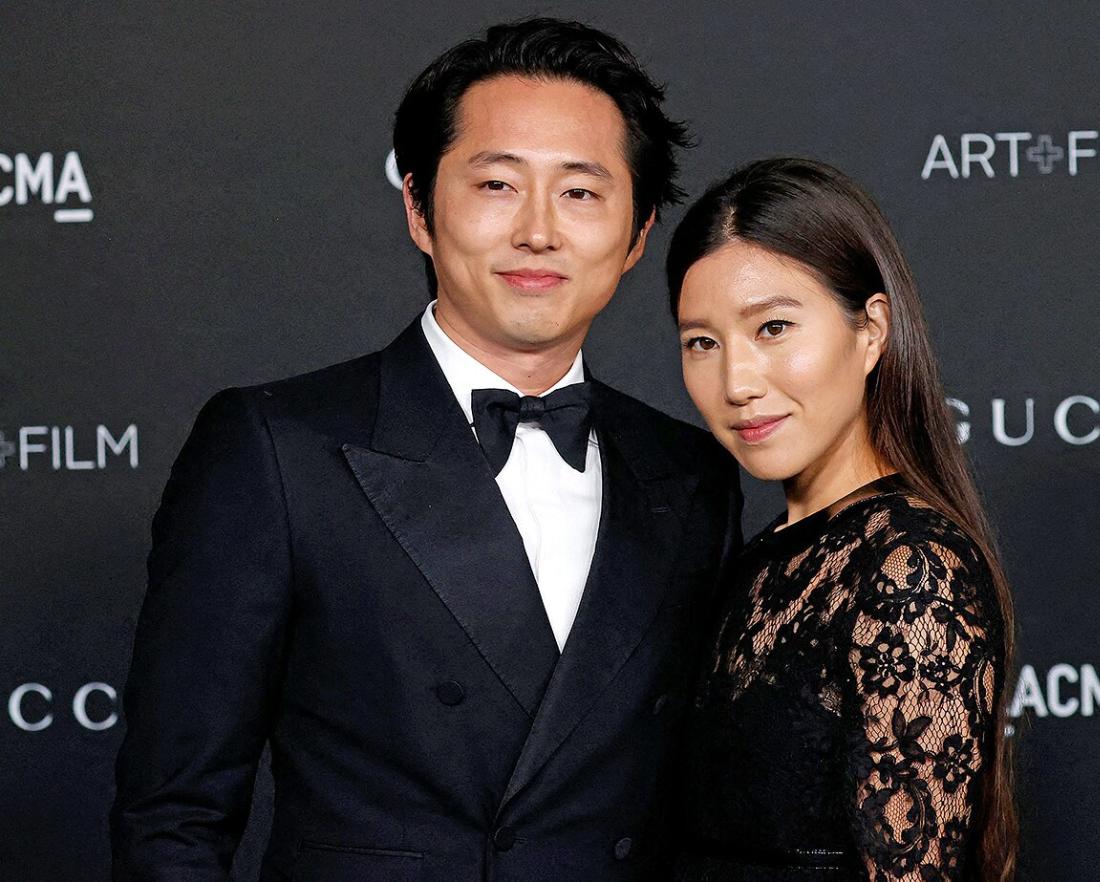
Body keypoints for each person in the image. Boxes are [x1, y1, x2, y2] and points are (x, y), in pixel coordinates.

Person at [110, 18, 741, 882]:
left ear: (637, 235)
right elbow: (173, 818)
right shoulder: (277, 449)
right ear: (418, 207)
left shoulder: (690, 473)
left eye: (582, 193)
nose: (538, 232)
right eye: (496, 184)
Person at [666, 157, 1018, 881]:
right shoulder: (763, 555)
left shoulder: (911, 567)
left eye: (773, 327)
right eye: (703, 342)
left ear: (871, 331)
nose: (736, 382)